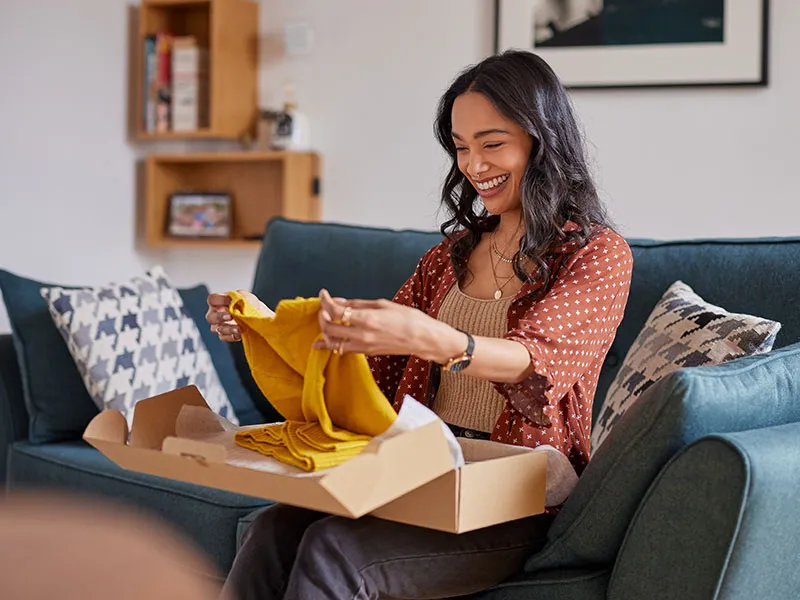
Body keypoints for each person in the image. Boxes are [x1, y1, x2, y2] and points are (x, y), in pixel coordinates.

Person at [206, 50, 632, 600]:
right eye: (461, 148)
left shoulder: (597, 254)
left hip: (518, 497)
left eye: (492, 144)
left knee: (334, 552)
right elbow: (369, 362)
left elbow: (537, 360)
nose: (474, 166)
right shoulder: (449, 256)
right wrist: (262, 326)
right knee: (271, 529)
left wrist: (430, 338)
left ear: (541, 137)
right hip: (421, 476)